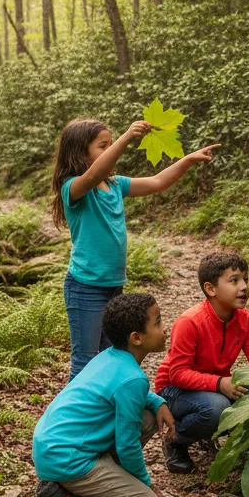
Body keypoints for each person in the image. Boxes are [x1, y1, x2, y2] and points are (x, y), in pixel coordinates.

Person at [51, 118, 220, 381]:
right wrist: (127, 137)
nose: (109, 151)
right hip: (85, 287)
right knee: (85, 359)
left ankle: (107, 408)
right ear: (79, 152)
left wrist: (188, 160)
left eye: (110, 145)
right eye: (102, 146)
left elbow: (157, 182)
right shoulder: (74, 188)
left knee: (112, 353)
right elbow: (94, 174)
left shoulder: (116, 185)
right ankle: (76, 418)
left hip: (113, 285)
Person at [25, 293, 177, 497]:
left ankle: (98, 480)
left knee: (147, 418)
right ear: (136, 338)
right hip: (67, 458)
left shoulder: (109, 356)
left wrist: (158, 402)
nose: (165, 329)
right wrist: (145, 484)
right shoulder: (133, 378)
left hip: (52, 446)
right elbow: (127, 445)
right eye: (158, 323)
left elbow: (124, 391)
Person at [154, 253, 249, 474]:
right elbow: (177, 373)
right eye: (234, 280)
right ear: (211, 289)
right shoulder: (190, 322)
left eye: (245, 280)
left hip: (215, 387)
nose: (243, 287)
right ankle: (176, 440)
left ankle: (240, 447)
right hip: (173, 390)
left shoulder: (245, 318)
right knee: (218, 408)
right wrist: (220, 383)